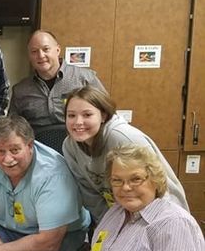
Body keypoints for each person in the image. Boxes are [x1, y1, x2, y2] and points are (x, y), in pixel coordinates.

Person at [0, 115, 90, 251]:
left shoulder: (54, 174)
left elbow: (49, 242)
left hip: (55, 236)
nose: (7, 159)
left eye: (15, 150)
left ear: (30, 145)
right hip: (4, 230)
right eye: (0, 151)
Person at [62, 85, 189, 223]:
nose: (78, 122)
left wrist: (163, 224)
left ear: (103, 115)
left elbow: (160, 188)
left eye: (87, 115)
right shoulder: (69, 146)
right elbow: (89, 194)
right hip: (120, 215)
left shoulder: (123, 138)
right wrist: (112, 225)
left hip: (160, 214)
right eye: (71, 115)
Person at [84, 144, 204, 251]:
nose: (125, 187)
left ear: (156, 180)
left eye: (136, 179)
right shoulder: (116, 212)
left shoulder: (174, 224)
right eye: (117, 180)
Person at [9, 30, 106, 131]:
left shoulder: (85, 79)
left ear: (58, 50)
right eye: (34, 51)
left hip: (80, 143)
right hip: (38, 144)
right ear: (29, 55)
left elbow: (107, 114)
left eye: (46, 49)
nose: (41, 55)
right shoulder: (20, 90)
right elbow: (13, 128)